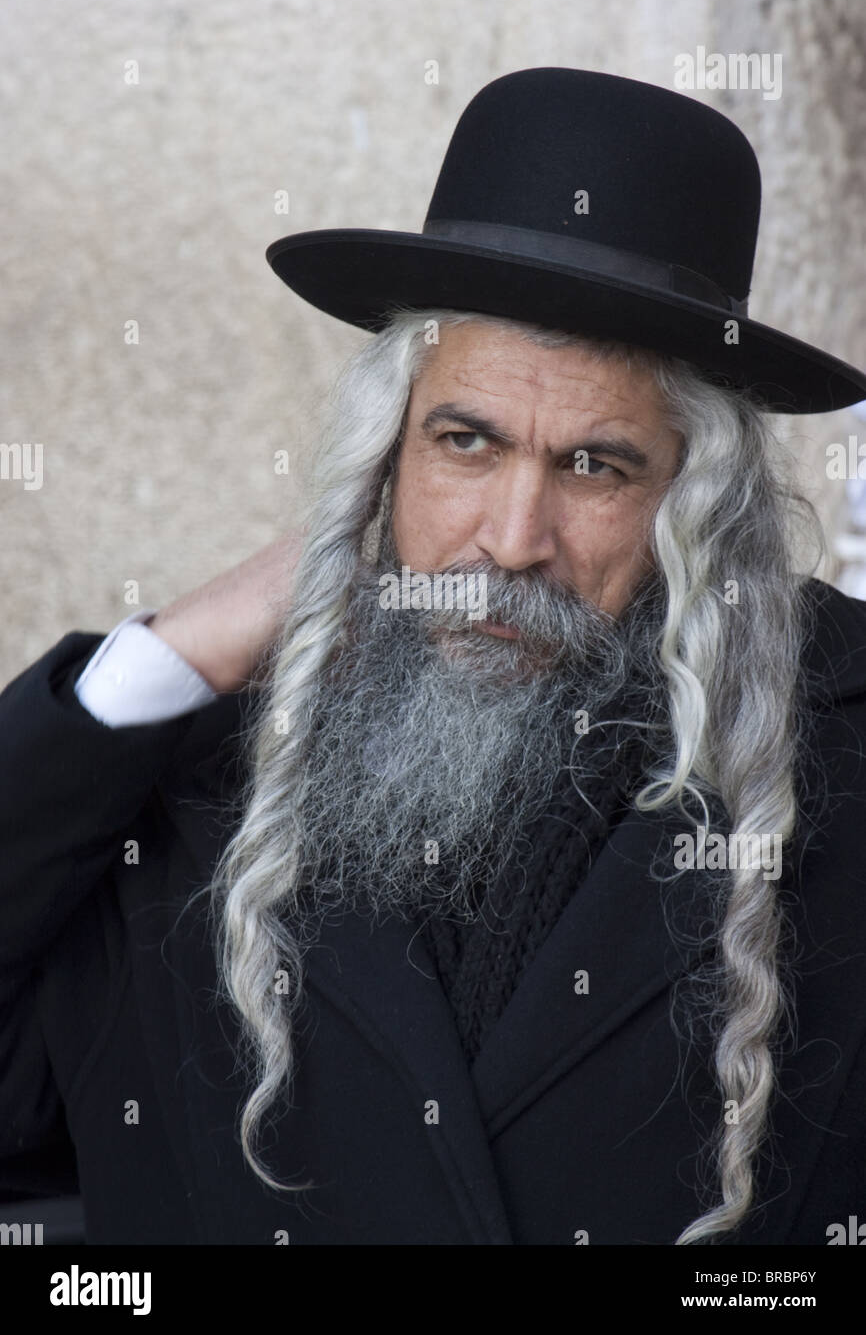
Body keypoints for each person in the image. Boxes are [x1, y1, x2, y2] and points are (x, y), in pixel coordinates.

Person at [2, 68, 866, 1248]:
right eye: (466, 442)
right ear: (382, 455)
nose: (511, 543)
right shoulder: (175, 783)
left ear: (697, 501)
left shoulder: (840, 762)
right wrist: (153, 667)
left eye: (594, 467)